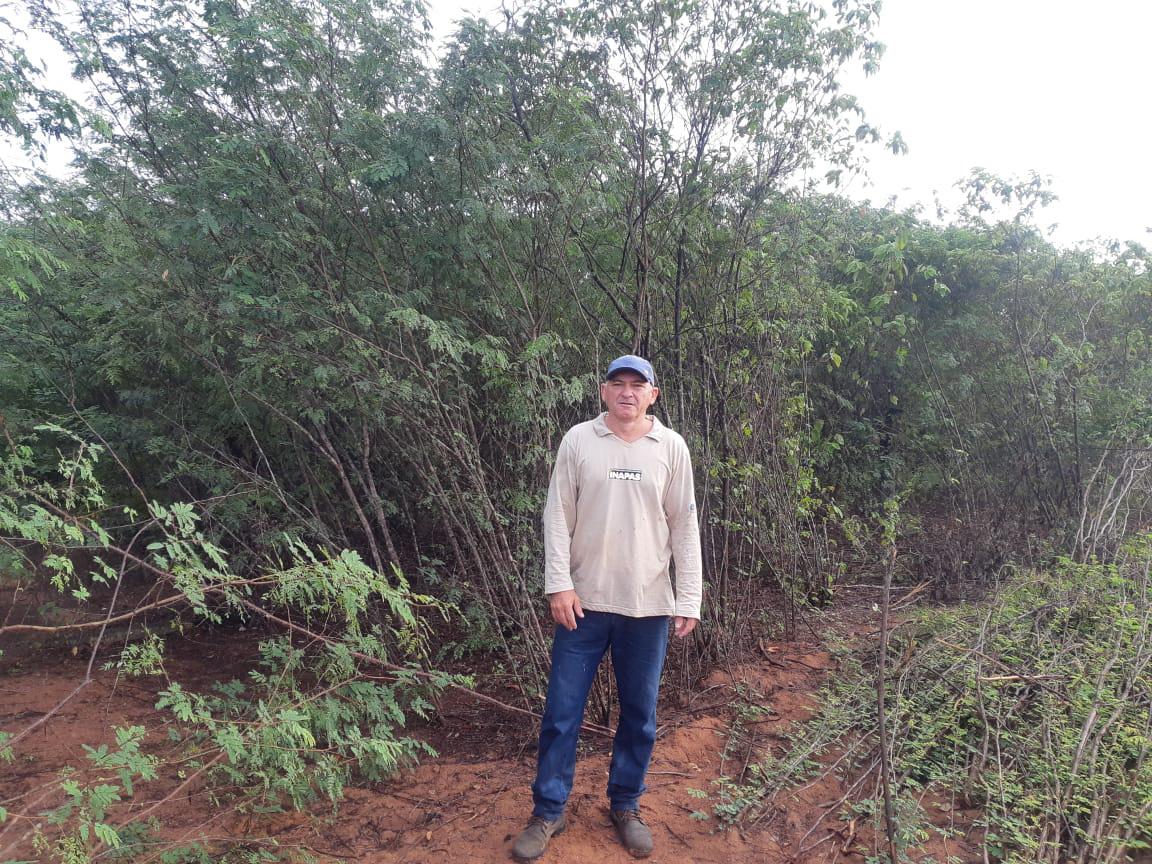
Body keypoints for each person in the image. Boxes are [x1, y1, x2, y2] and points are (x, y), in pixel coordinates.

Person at [511, 354, 703, 861]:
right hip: (583, 604)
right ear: (603, 391)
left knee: (639, 714)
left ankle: (626, 804)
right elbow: (557, 515)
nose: (627, 392)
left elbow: (684, 525)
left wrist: (689, 597)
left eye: (637, 385)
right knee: (561, 712)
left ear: (653, 395)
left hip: (648, 606)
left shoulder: (672, 447)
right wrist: (558, 584)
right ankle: (548, 811)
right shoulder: (579, 440)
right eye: (618, 383)